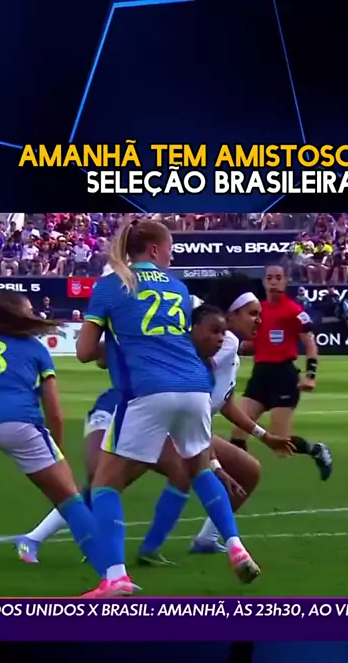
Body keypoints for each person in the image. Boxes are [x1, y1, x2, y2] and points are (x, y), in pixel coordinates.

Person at [75, 218, 261, 596]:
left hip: (148, 389)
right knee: (199, 468)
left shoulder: (111, 286)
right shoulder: (177, 287)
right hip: (195, 388)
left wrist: (115, 346)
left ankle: (115, 577)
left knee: (105, 484)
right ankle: (236, 546)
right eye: (171, 250)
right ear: (155, 250)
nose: (171, 257)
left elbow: (83, 352)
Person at [138, 280, 294, 560]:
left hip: (184, 425)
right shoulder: (223, 344)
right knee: (173, 474)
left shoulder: (229, 348)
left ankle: (206, 539)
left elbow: (225, 403)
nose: (258, 320)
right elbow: (194, 402)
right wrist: (214, 464)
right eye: (252, 313)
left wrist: (264, 436)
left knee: (248, 471)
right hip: (166, 423)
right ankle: (136, 549)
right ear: (231, 315)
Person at [0, 291, 110, 585]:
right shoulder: (35, 349)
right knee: (70, 499)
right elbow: (54, 410)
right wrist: (58, 450)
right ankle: (111, 576)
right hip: (21, 424)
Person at [230, 263, 332, 479]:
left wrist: (310, 376)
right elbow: (257, 342)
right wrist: (243, 347)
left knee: (280, 443)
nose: (274, 282)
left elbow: (311, 344)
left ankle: (317, 450)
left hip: (283, 377)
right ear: (264, 282)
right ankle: (239, 478)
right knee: (238, 430)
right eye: (270, 278)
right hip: (260, 375)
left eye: (278, 277)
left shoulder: (294, 311)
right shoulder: (259, 310)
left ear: (285, 281)